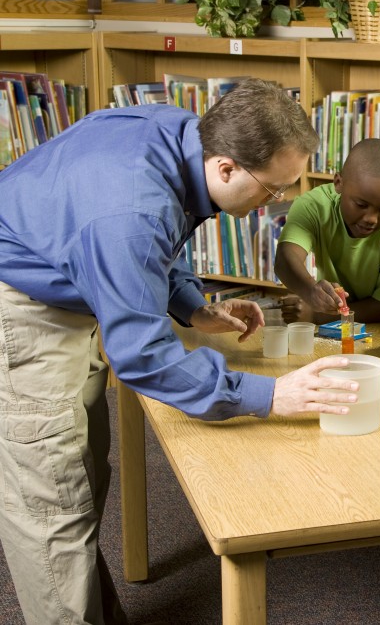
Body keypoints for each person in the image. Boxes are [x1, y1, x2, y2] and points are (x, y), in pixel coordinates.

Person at [0, 78, 360, 625]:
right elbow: (142, 356)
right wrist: (271, 395)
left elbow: (150, 241)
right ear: (225, 168)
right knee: (52, 504)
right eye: (272, 190)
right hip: (21, 306)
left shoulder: (183, 132)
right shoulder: (132, 213)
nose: (278, 202)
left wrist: (190, 304)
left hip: (62, 272)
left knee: (81, 472)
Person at [274, 138, 380, 324]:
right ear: (338, 183)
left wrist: (318, 315)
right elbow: (285, 259)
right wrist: (311, 292)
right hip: (340, 319)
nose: (371, 219)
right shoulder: (312, 206)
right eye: (361, 204)